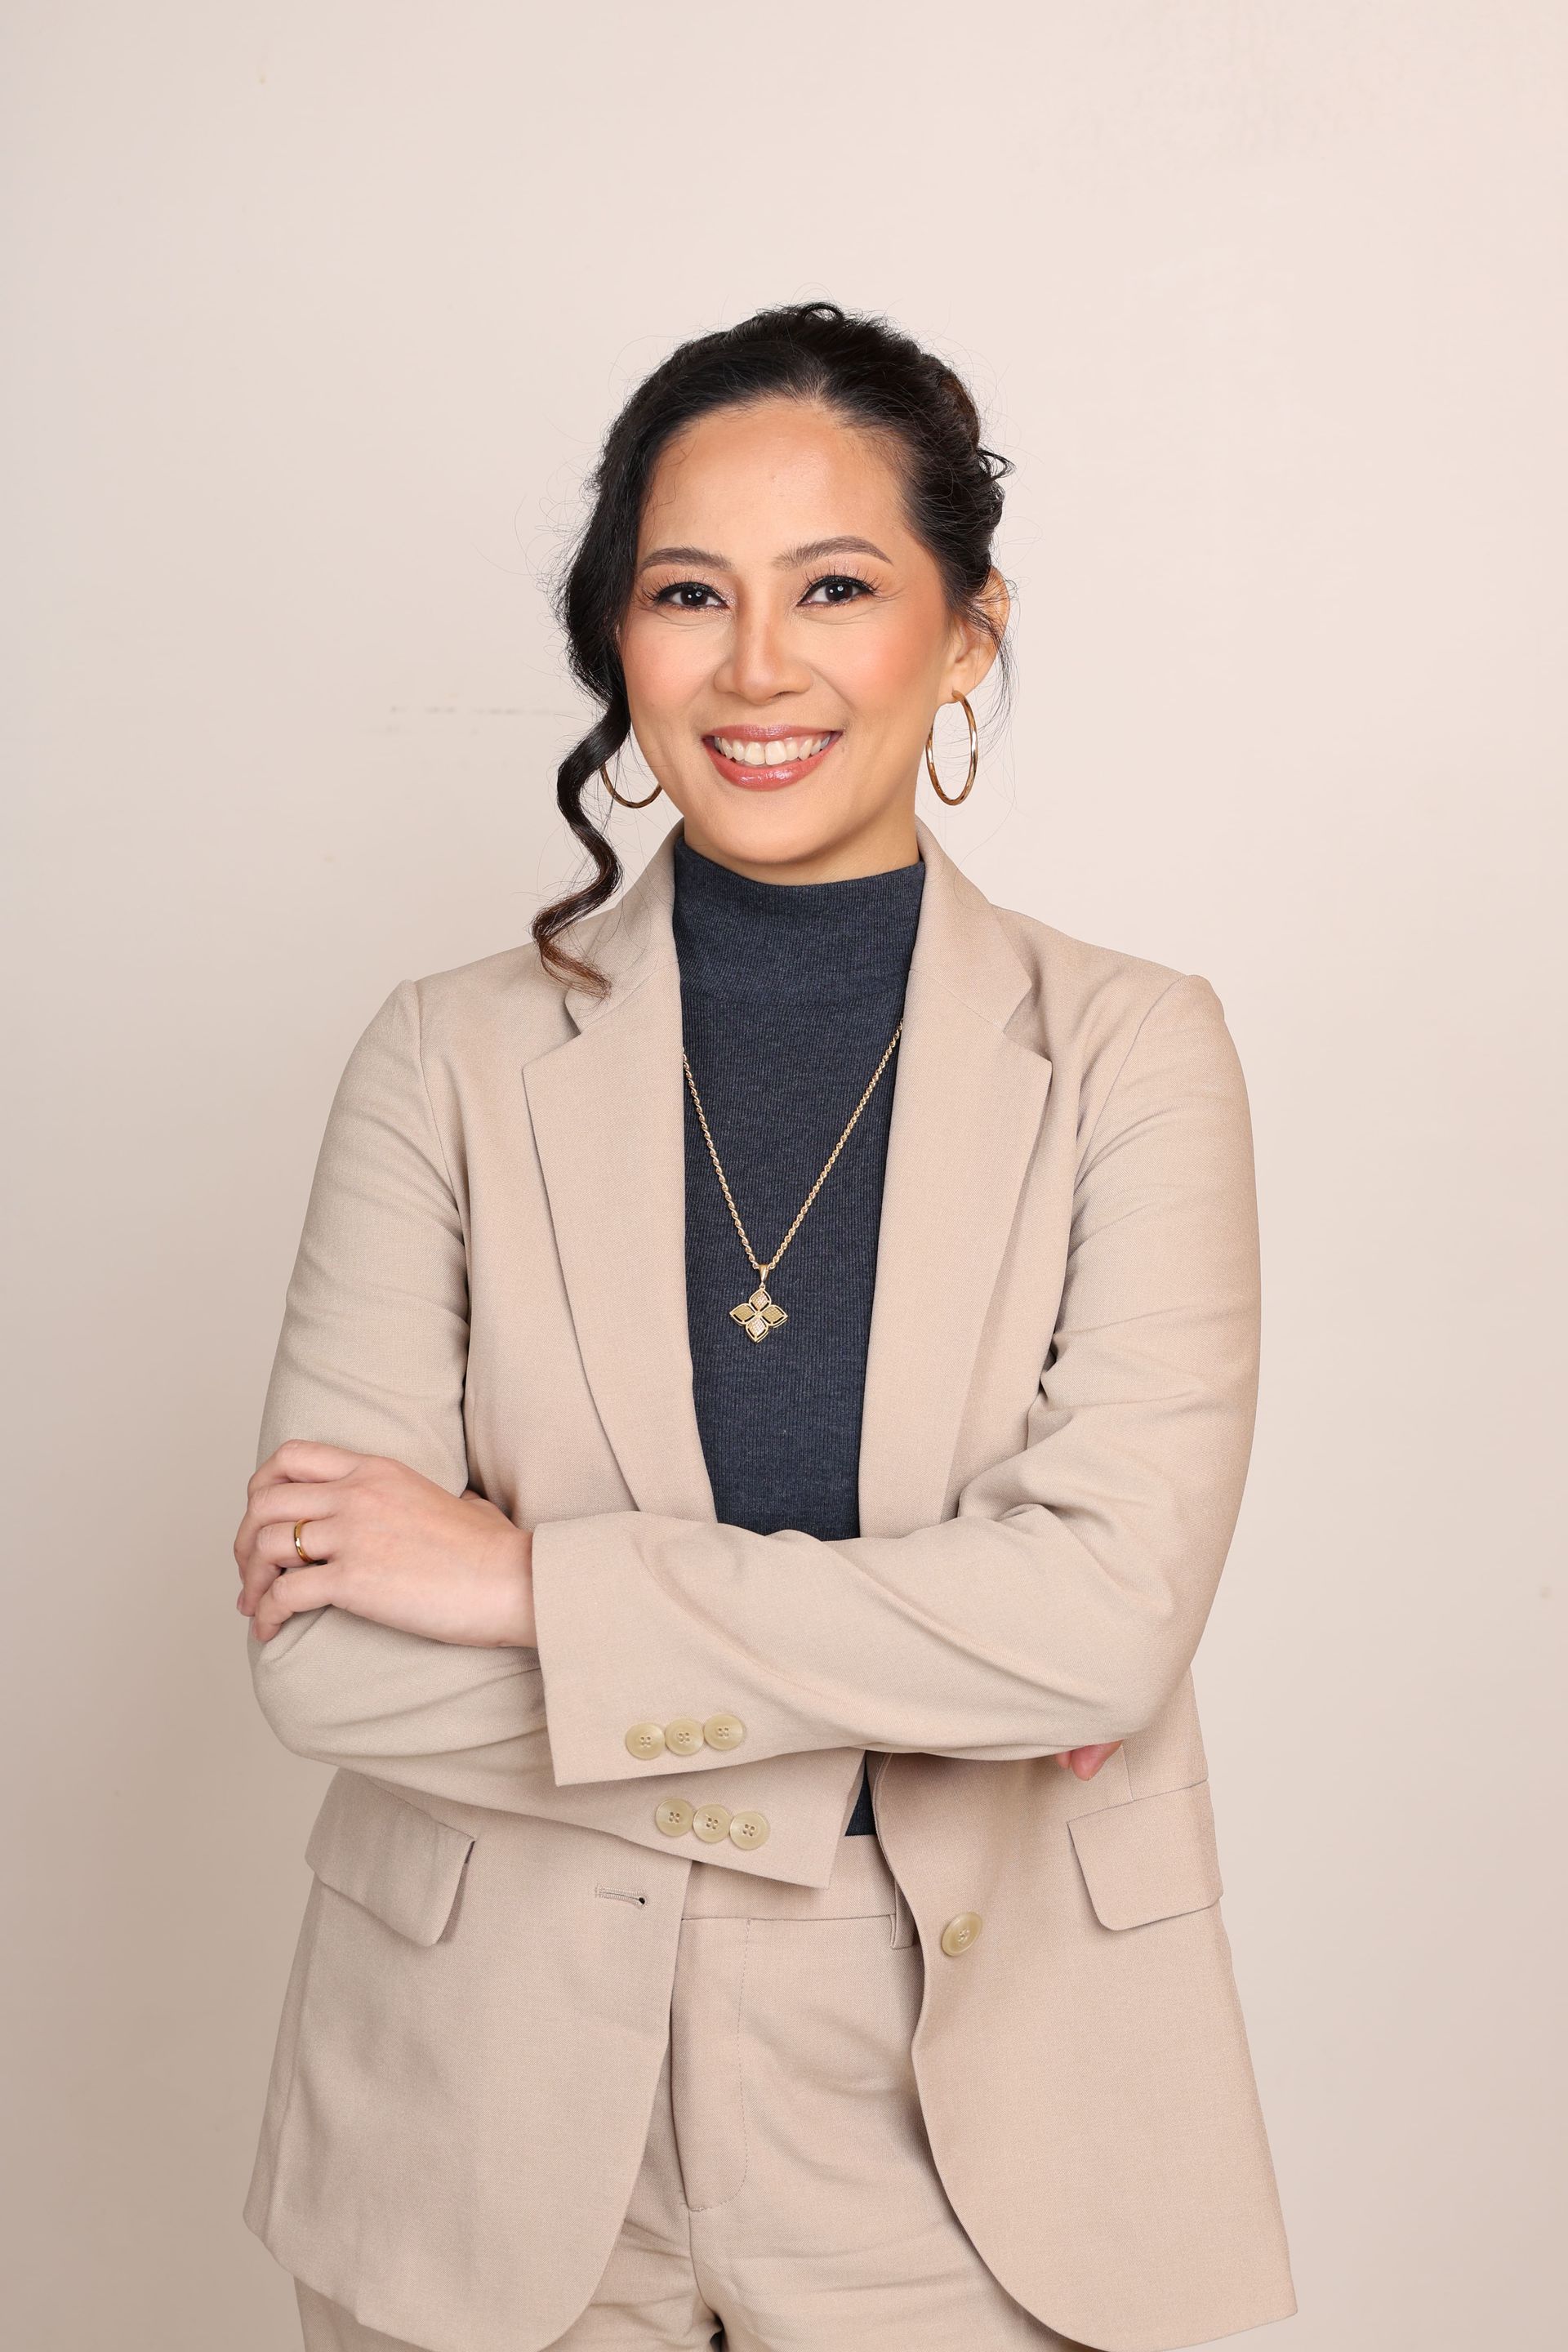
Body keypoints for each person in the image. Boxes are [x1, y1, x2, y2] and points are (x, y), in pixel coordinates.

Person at [234, 300, 1295, 2352]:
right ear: (613, 641)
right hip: (488, 2112)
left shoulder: (1137, 1057)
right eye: (685, 593)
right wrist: (896, 1727)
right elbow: (334, 1664)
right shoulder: (443, 1061)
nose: (756, 666)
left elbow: (1100, 1626)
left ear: (967, 629)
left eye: (837, 587)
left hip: (985, 2117)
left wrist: (530, 1585)